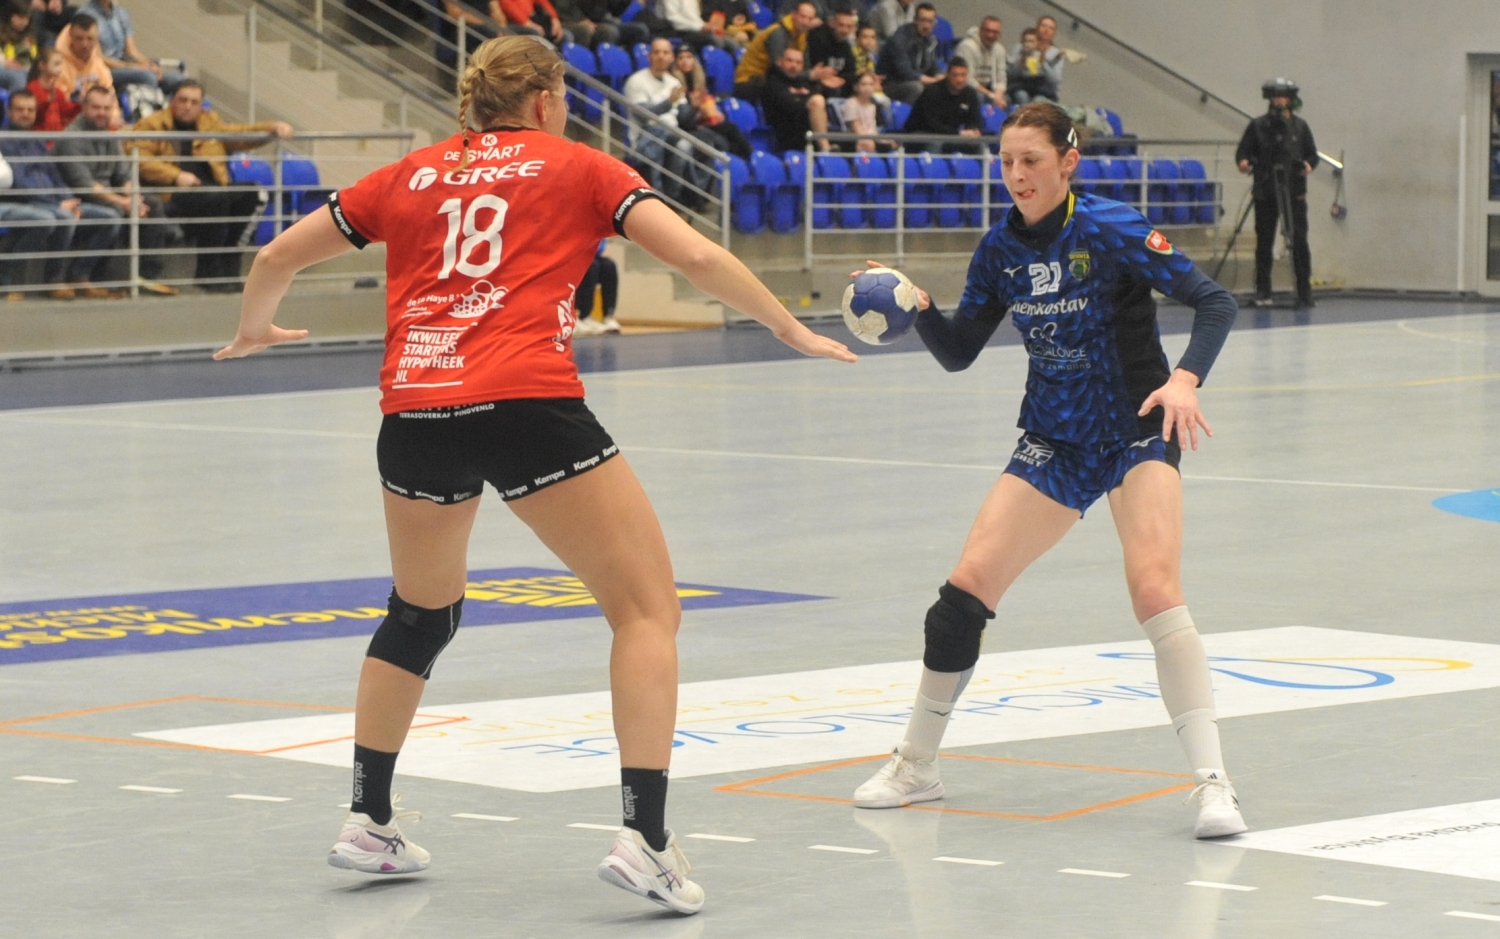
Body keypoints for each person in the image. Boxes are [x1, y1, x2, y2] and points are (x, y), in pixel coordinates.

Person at [212, 33, 856, 916]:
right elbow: (698, 258)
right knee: (646, 609)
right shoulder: (580, 166)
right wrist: (791, 327)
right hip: (526, 404)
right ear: (547, 100)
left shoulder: (409, 174)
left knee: (420, 613)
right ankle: (646, 840)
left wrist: (255, 328)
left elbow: (275, 257)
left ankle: (368, 819)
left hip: (415, 412)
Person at [849, 102, 1246, 842]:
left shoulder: (1111, 227)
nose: (1017, 175)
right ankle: (916, 765)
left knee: (1155, 589)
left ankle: (1213, 783)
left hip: (1136, 429)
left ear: (1069, 161)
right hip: (1055, 440)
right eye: (1006, 162)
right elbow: (960, 350)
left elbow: (1214, 302)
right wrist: (918, 306)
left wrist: (1185, 379)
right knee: (963, 591)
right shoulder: (999, 250)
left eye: (1031, 160)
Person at [128, 79, 292, 290]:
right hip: (173, 192)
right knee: (215, 197)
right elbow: (140, 159)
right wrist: (176, 175)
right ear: (172, 101)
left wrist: (271, 127)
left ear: (201, 105)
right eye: (183, 100)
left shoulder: (209, 121)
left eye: (194, 102)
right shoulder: (151, 125)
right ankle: (208, 272)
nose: (188, 106)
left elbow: (239, 134)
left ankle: (230, 263)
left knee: (254, 192)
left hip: (213, 189)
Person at [55, 83, 176, 294]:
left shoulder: (109, 136)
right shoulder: (71, 139)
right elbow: (84, 185)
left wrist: (135, 198)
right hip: (77, 197)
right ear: (84, 107)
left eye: (106, 108)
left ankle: (147, 276)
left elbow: (124, 176)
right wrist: (124, 202)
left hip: (108, 194)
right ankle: (91, 275)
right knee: (116, 211)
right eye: (96, 107)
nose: (102, 113)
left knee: (152, 203)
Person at [0, 88, 120, 298]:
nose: (25, 114)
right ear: (9, 111)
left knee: (110, 218)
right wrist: (58, 204)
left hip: (53, 201)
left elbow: (54, 174)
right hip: (28, 201)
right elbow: (20, 184)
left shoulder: (36, 140)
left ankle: (80, 275)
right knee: (63, 217)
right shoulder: (4, 141)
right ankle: (52, 279)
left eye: (30, 110)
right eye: (20, 109)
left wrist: (69, 199)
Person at [1236, 78, 1317, 310]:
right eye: (1275, 97)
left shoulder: (1300, 127)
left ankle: (1304, 292)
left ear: (1290, 99)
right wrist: (1243, 162)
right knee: (1264, 243)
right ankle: (1263, 290)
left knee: (1299, 242)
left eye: (1283, 96)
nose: (1279, 101)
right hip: (1266, 190)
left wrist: (1308, 166)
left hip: (1294, 193)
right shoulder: (1258, 126)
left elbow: (1312, 155)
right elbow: (1243, 152)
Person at [623, 38, 689, 199]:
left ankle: (673, 199)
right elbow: (643, 113)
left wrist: (697, 108)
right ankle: (659, 197)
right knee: (665, 141)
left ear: (671, 57)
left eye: (665, 52)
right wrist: (669, 102)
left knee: (689, 145)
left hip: (671, 132)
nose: (661, 56)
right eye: (657, 52)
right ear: (649, 56)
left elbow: (684, 115)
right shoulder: (636, 80)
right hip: (646, 133)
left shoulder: (674, 81)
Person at [76, 0, 182, 96]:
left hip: (126, 64)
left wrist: (150, 65)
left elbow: (131, 50)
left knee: (177, 80)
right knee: (148, 77)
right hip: (105, 69)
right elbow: (98, 58)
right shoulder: (86, 16)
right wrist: (135, 67)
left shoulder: (121, 13)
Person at [672, 44, 751, 158]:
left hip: (703, 121)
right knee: (723, 138)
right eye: (681, 58)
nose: (685, 61)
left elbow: (706, 103)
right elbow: (681, 115)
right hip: (688, 125)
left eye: (689, 57)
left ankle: (746, 161)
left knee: (730, 128)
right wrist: (699, 112)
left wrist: (714, 113)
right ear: (676, 62)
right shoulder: (673, 82)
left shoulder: (699, 79)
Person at [730, 0, 816, 102]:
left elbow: (804, 65)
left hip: (771, 79)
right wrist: (809, 75)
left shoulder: (802, 36)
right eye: (803, 16)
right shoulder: (777, 33)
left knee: (814, 89)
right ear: (793, 15)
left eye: (810, 19)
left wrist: (814, 76)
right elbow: (779, 68)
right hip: (750, 81)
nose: (805, 22)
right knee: (785, 93)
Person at [903, 55, 981, 151]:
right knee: (937, 142)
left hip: (950, 134)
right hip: (921, 133)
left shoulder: (970, 93)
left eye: (963, 75)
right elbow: (932, 124)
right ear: (947, 75)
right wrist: (959, 133)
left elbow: (975, 119)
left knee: (978, 143)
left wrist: (972, 130)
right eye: (955, 75)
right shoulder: (932, 91)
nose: (960, 79)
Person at [761, 46, 828, 152]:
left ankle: (826, 149)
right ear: (779, 62)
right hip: (785, 133)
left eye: (798, 62)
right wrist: (808, 102)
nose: (794, 65)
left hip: (807, 132)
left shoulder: (805, 84)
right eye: (789, 60)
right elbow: (788, 104)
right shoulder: (772, 82)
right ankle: (825, 149)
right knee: (817, 101)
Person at [876, 1, 938, 105]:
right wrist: (933, 81)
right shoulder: (899, 39)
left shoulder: (930, 40)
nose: (926, 25)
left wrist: (940, 76)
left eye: (930, 21)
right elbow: (905, 72)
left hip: (914, 80)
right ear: (915, 20)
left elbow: (932, 66)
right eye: (923, 20)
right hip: (891, 84)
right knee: (917, 87)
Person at [803, 3, 856, 98]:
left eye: (849, 27)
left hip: (838, 84)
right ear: (833, 23)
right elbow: (815, 67)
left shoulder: (847, 46)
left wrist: (841, 79)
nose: (844, 30)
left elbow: (850, 72)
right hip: (815, 85)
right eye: (841, 25)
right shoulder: (818, 39)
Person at [953, 15, 1005, 106]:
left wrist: (998, 96)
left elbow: (1001, 78)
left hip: (988, 88)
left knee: (1007, 100)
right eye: (988, 31)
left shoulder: (1000, 50)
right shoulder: (967, 47)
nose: (990, 35)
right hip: (966, 88)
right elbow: (967, 79)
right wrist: (991, 95)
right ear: (980, 30)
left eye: (995, 32)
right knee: (977, 97)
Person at [26, 45, 79, 131]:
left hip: (57, 136)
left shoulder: (58, 91)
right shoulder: (33, 87)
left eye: (61, 64)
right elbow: (33, 114)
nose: (60, 68)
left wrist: (82, 103)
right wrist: (47, 102)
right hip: (39, 134)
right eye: (56, 64)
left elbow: (66, 112)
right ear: (42, 65)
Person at [1008, 18, 1062, 103]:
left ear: (1054, 34)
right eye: (1043, 26)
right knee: (1021, 96)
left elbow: (1055, 83)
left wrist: (1043, 63)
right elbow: (1010, 74)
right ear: (1037, 28)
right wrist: (1022, 59)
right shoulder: (1020, 47)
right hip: (1020, 86)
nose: (1046, 30)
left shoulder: (1056, 53)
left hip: (1043, 90)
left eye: (1050, 28)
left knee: (1038, 100)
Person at [573, 240, 620, 335]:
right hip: (575, 254)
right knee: (592, 267)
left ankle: (608, 315)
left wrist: (598, 251)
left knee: (609, 265)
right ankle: (581, 314)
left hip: (593, 253)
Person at [838, 69, 886, 152]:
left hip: (871, 138)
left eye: (871, 84)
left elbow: (872, 128)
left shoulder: (873, 105)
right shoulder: (851, 103)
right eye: (863, 84)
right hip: (855, 140)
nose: (868, 88)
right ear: (856, 86)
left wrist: (881, 141)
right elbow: (856, 128)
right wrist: (869, 141)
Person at [0, 2, 41, 94]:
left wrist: (29, 49)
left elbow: (34, 58)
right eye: (20, 17)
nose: (24, 22)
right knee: (18, 77)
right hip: (5, 67)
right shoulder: (2, 33)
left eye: (27, 18)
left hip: (26, 69)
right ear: (10, 16)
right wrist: (4, 62)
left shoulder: (29, 37)